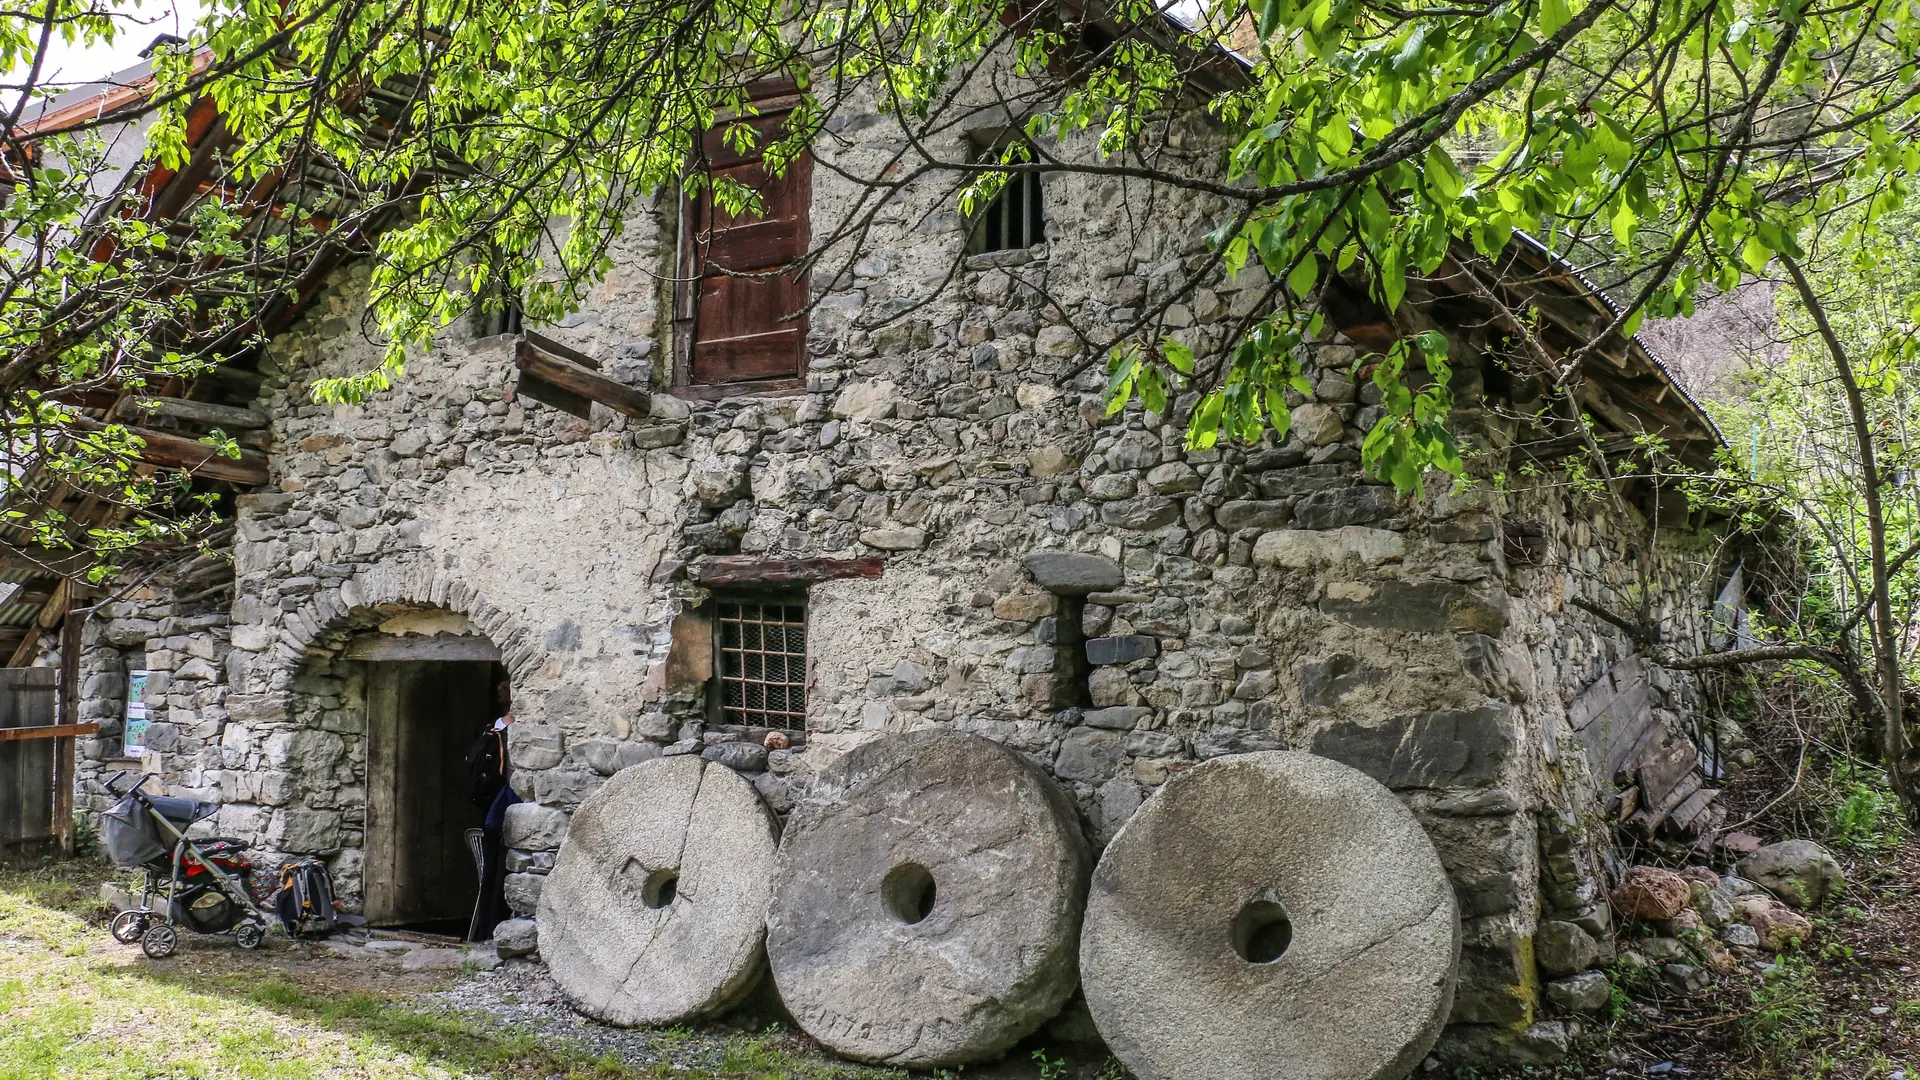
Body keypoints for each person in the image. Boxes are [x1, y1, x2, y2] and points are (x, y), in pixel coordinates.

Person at [465, 675, 519, 940]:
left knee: (491, 872)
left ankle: (485, 927)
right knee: (500, 869)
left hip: (490, 810)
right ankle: (494, 925)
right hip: (503, 809)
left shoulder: (492, 728)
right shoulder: (509, 730)